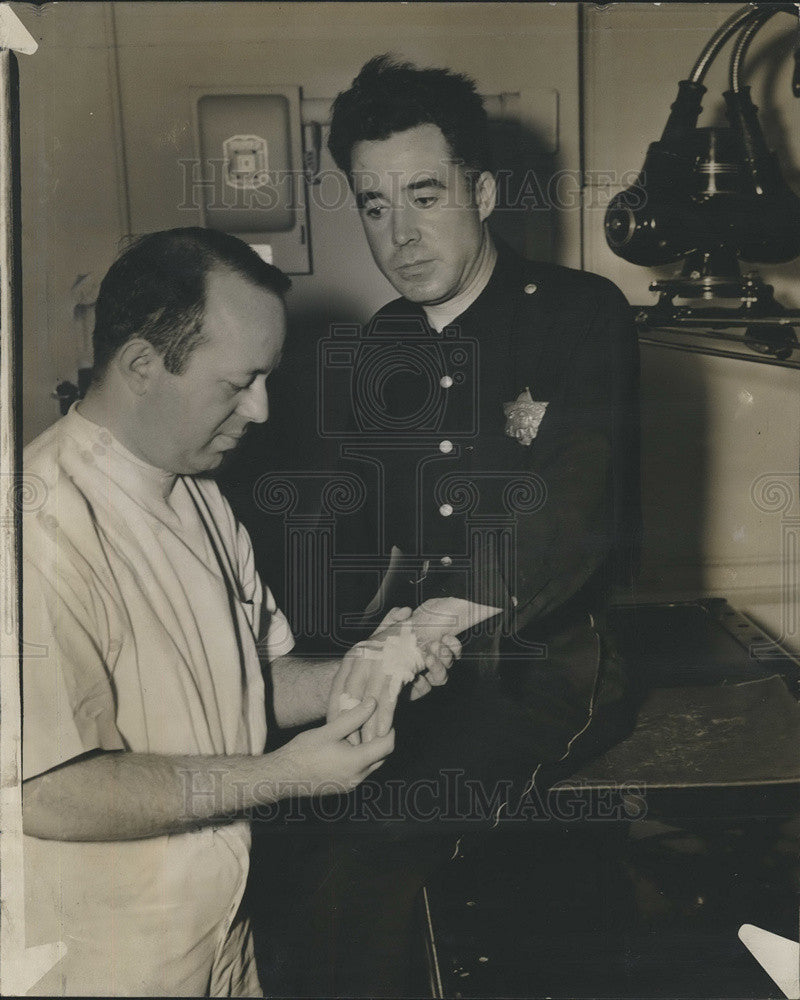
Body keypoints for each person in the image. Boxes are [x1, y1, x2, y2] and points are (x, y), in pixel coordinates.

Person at [263, 54, 641, 996]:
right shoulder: (374, 346)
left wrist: (417, 636)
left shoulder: (577, 317)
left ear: (480, 190)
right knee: (275, 828)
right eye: (376, 204)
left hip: (541, 668)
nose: (400, 234)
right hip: (406, 662)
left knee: (370, 850)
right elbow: (347, 541)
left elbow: (571, 513)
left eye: (425, 195)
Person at [20, 227, 457, 997]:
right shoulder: (37, 527)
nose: (260, 409)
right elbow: (49, 792)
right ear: (141, 366)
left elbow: (251, 678)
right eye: (237, 383)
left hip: (219, 935)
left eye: (268, 379)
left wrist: (364, 672)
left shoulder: (200, 494)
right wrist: (283, 776)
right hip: (104, 961)